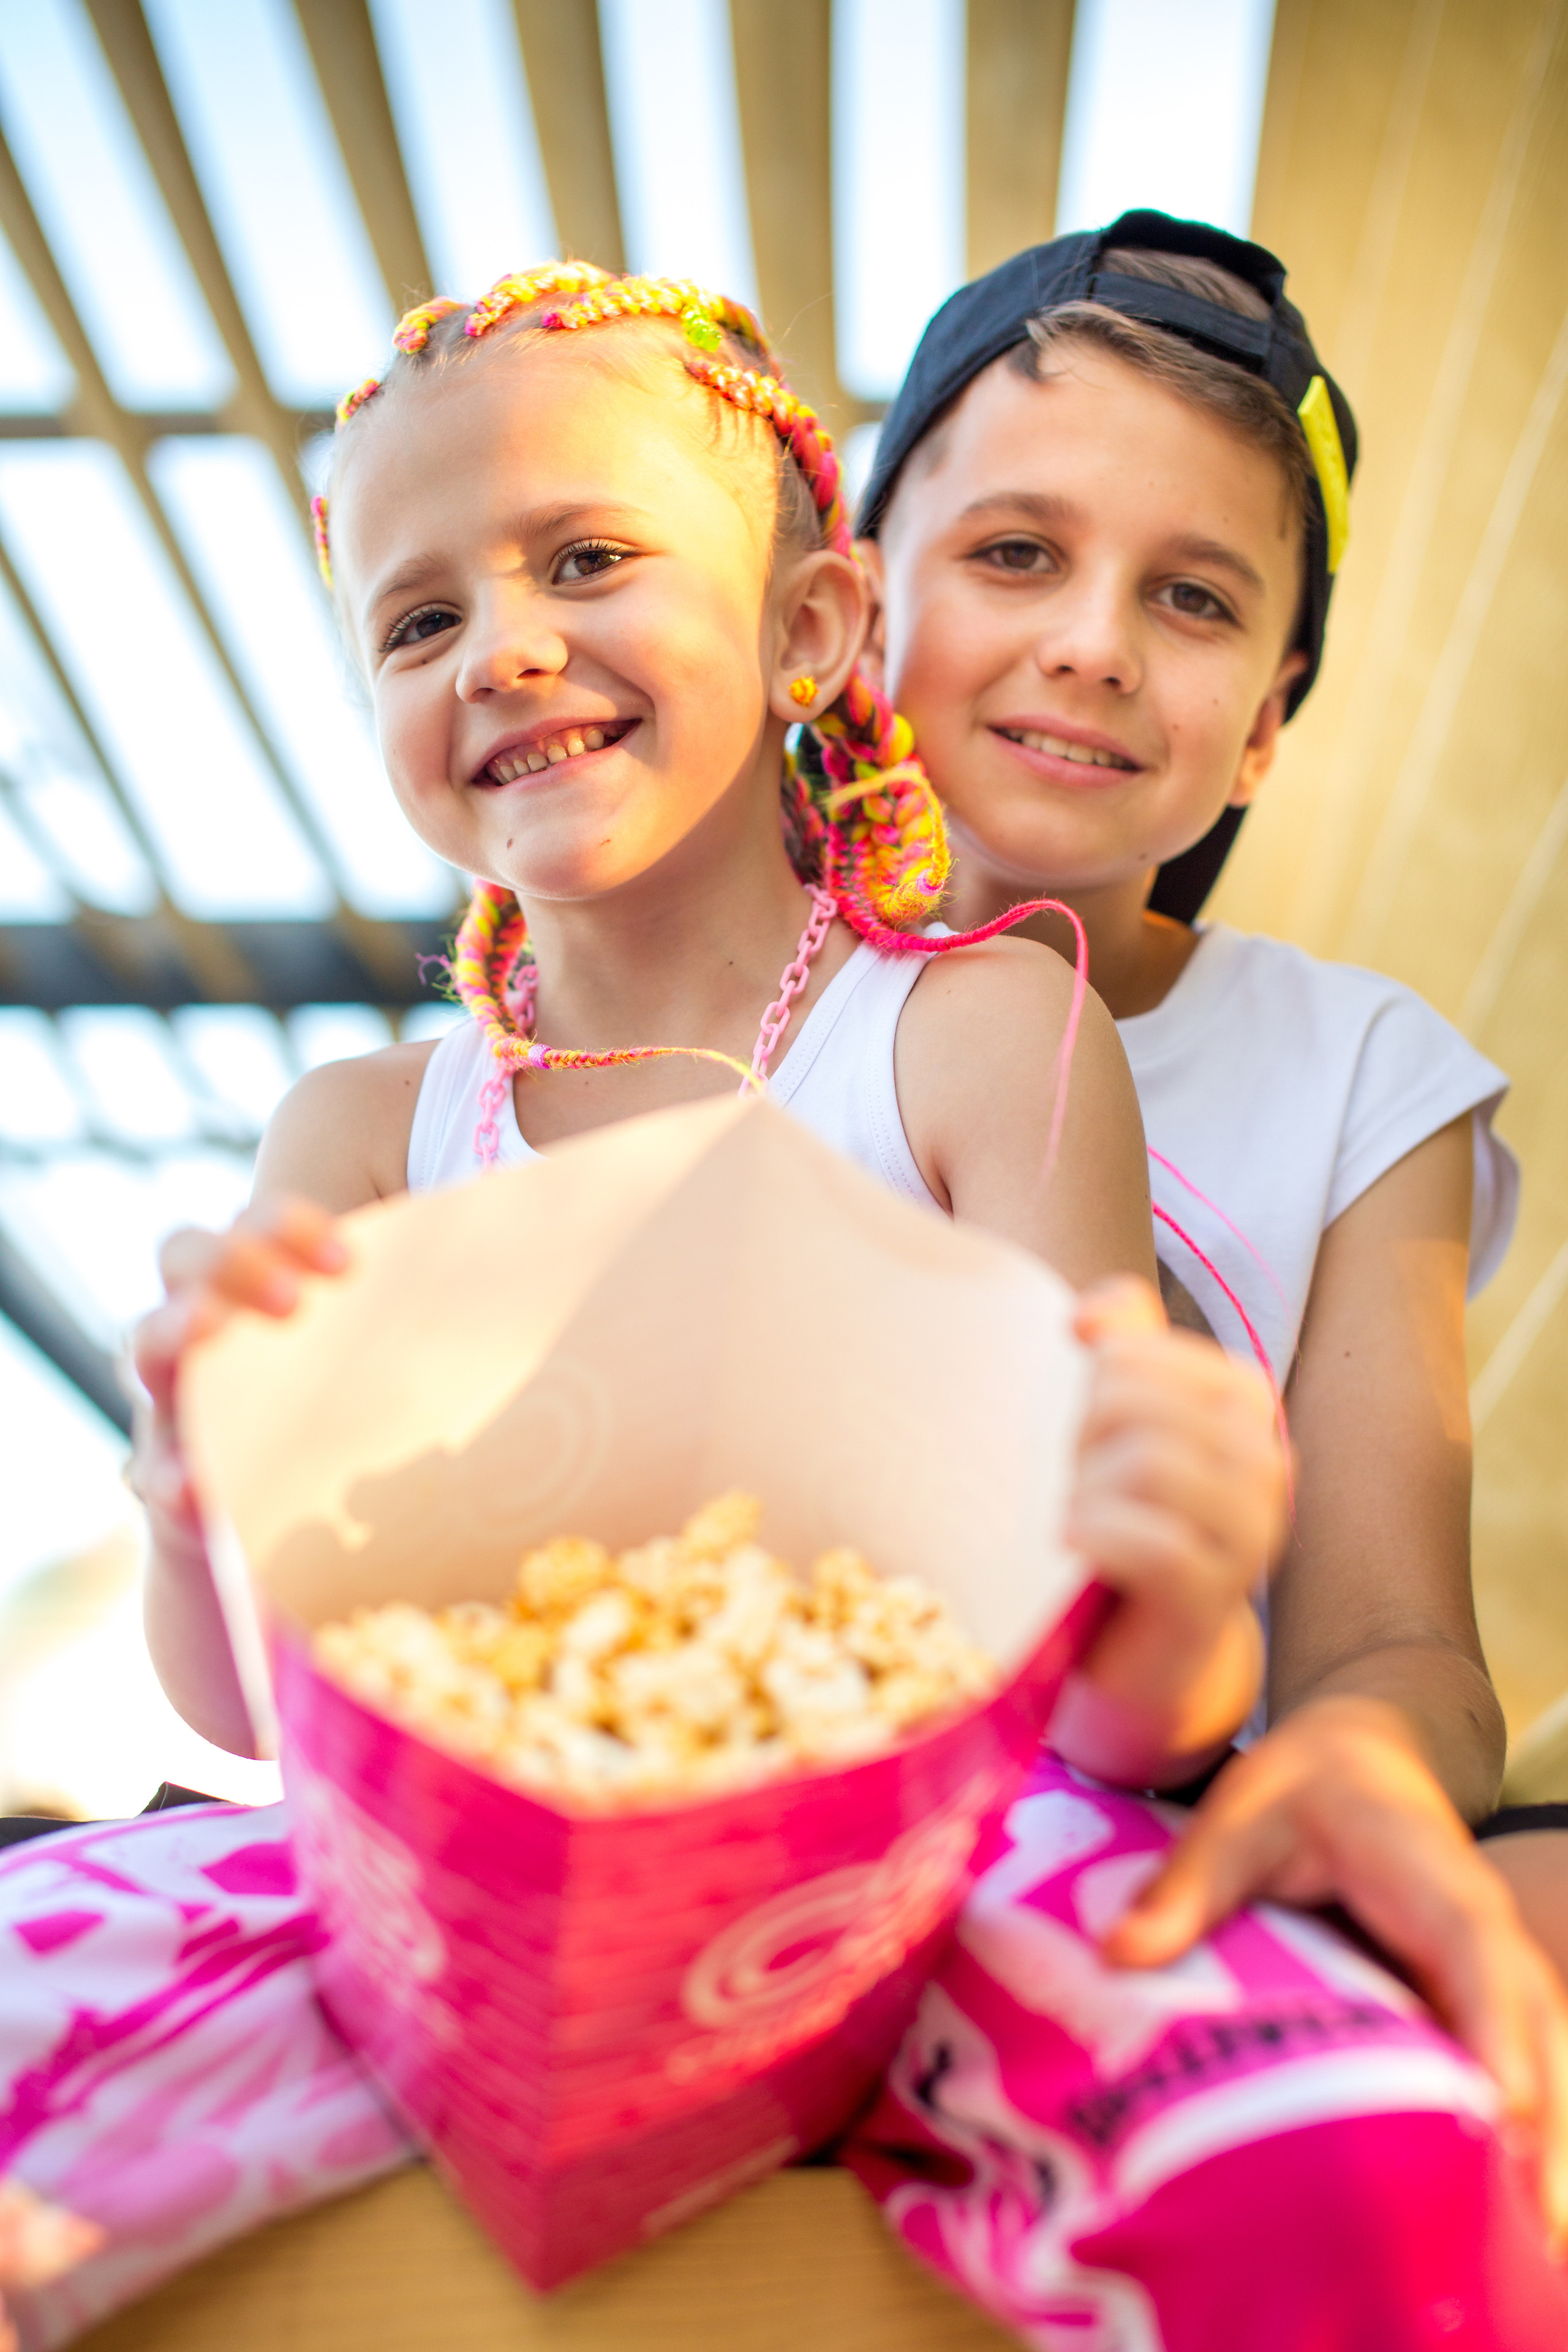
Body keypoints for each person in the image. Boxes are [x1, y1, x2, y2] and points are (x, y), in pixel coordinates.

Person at [119, 264, 1567, 2339]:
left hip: (939, 1855)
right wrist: (197, 1485)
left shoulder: (1013, 1042)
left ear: (806, 627)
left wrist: (1186, 1605)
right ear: (874, 612)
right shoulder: (366, 1128)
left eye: (1192, 596)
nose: (508, 645)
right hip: (460, 1884)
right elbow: (256, 1685)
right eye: (419, 620)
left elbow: (1167, 1676)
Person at [851, 209, 1568, 1974]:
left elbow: (1397, 1643)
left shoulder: (1360, 1070)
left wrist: (1351, 1765)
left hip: (1154, 1830)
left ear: (1266, 720)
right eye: (1017, 552)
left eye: (1193, 597)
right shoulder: (739, 994)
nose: (1096, 642)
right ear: (852, 608)